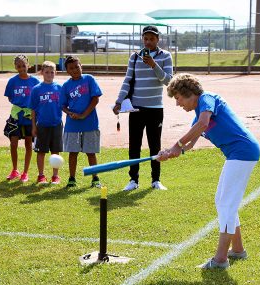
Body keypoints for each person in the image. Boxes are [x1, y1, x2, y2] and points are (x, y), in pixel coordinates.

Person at [158, 73, 260, 270]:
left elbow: (204, 124)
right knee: (222, 201)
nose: (178, 104)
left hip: (243, 151)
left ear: (188, 93)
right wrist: (169, 152)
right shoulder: (197, 115)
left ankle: (221, 259)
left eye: (178, 98)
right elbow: (188, 145)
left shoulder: (207, 99)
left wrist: (176, 145)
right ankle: (237, 249)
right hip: (237, 154)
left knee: (226, 203)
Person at [113, 25, 173, 191]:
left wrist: (154, 65)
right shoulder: (134, 56)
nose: (148, 42)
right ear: (142, 39)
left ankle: (156, 180)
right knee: (134, 145)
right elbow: (128, 80)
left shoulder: (165, 56)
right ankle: (133, 180)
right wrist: (119, 101)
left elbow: (168, 81)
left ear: (158, 39)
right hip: (136, 109)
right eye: (145, 38)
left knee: (155, 145)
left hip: (155, 108)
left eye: (152, 39)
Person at [60, 55, 103, 188]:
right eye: (71, 68)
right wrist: (70, 113)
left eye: (77, 67)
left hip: (90, 123)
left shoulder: (89, 79)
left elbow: (95, 99)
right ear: (67, 71)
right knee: (73, 152)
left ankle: (95, 178)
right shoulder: (66, 85)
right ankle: (72, 178)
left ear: (81, 66)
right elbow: (62, 105)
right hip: (72, 126)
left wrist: (84, 114)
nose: (75, 70)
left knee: (91, 152)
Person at [4, 54, 40, 182]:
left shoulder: (35, 81)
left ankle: (25, 172)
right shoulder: (12, 81)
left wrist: (29, 108)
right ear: (15, 67)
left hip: (29, 116)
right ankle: (14, 170)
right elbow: (9, 97)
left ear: (28, 65)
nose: (21, 68)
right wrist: (19, 104)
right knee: (13, 143)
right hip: (16, 116)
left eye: (23, 65)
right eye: (18, 66)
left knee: (28, 144)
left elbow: (38, 97)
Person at [29, 61, 63, 185]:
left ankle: (55, 176)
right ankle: (41, 175)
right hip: (42, 124)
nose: (49, 74)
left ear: (56, 73)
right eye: (46, 72)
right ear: (42, 72)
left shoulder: (59, 88)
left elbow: (64, 105)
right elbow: (33, 109)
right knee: (41, 151)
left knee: (55, 151)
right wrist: (33, 126)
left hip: (56, 124)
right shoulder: (36, 89)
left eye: (52, 72)